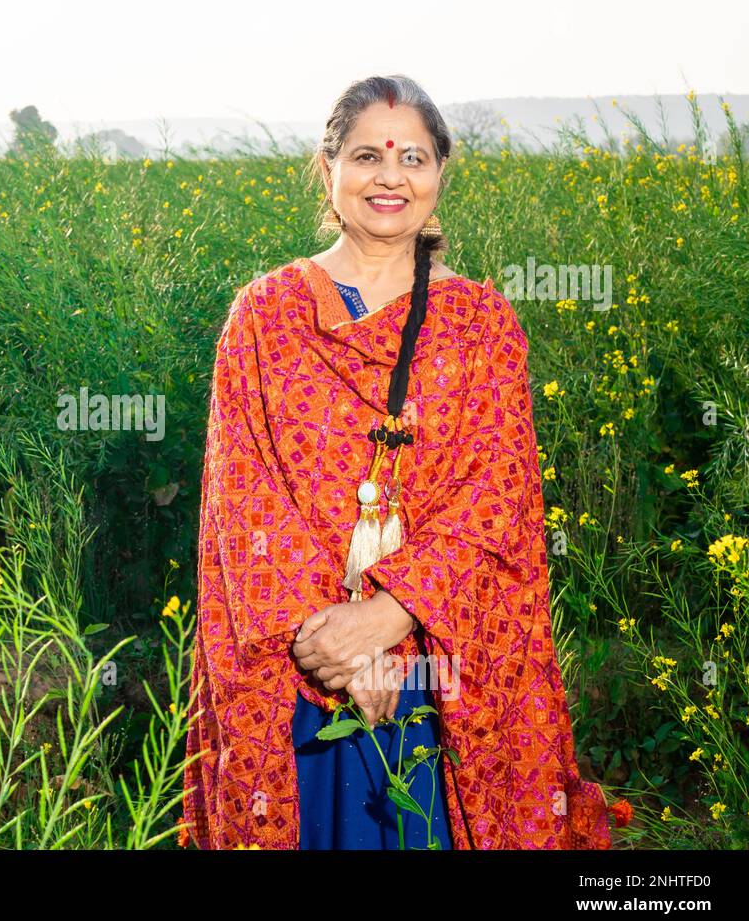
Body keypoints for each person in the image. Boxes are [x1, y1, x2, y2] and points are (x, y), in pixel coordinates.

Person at [179, 74, 612, 850]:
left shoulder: (480, 323)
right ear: (328, 168)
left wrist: (385, 619)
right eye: (367, 154)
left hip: (439, 667)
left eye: (413, 156)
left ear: (440, 173)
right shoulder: (265, 314)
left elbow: (495, 495)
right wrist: (341, 654)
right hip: (300, 663)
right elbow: (243, 500)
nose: (390, 176)